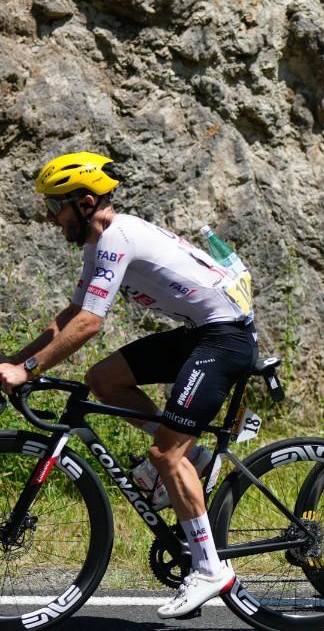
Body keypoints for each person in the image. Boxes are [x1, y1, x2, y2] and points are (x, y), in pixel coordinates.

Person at [0, 152, 258, 618]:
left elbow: (90, 325)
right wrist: (13, 362)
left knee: (164, 454)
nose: (50, 218)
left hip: (226, 337)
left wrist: (30, 369)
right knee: (103, 379)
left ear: (85, 202)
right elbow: (70, 318)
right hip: (202, 332)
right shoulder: (102, 243)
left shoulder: (116, 239)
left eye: (55, 207)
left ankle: (209, 569)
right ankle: (195, 459)